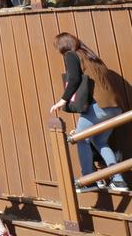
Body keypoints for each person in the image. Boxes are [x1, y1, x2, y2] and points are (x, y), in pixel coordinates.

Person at [49, 32, 128, 190]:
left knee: (80, 138)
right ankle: (118, 180)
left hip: (98, 107)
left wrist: (62, 100)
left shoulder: (71, 55)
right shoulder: (91, 57)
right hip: (115, 107)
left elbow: (74, 79)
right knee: (99, 141)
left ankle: (88, 180)